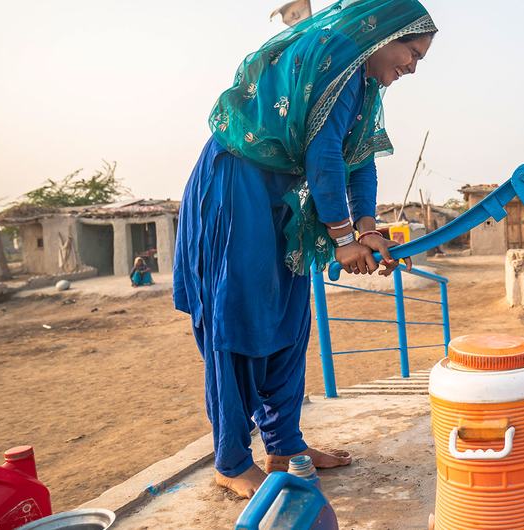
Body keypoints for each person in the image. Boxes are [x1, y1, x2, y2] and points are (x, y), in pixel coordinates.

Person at [173, 0, 436, 498]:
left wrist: (367, 229)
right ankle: (230, 459)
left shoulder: (364, 88)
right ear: (381, 33)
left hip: (281, 200)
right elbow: (324, 153)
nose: (412, 67)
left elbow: (359, 161)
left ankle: (283, 445)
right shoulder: (336, 57)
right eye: (410, 52)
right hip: (238, 188)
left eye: (420, 59)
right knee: (241, 320)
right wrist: (341, 239)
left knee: (291, 320)